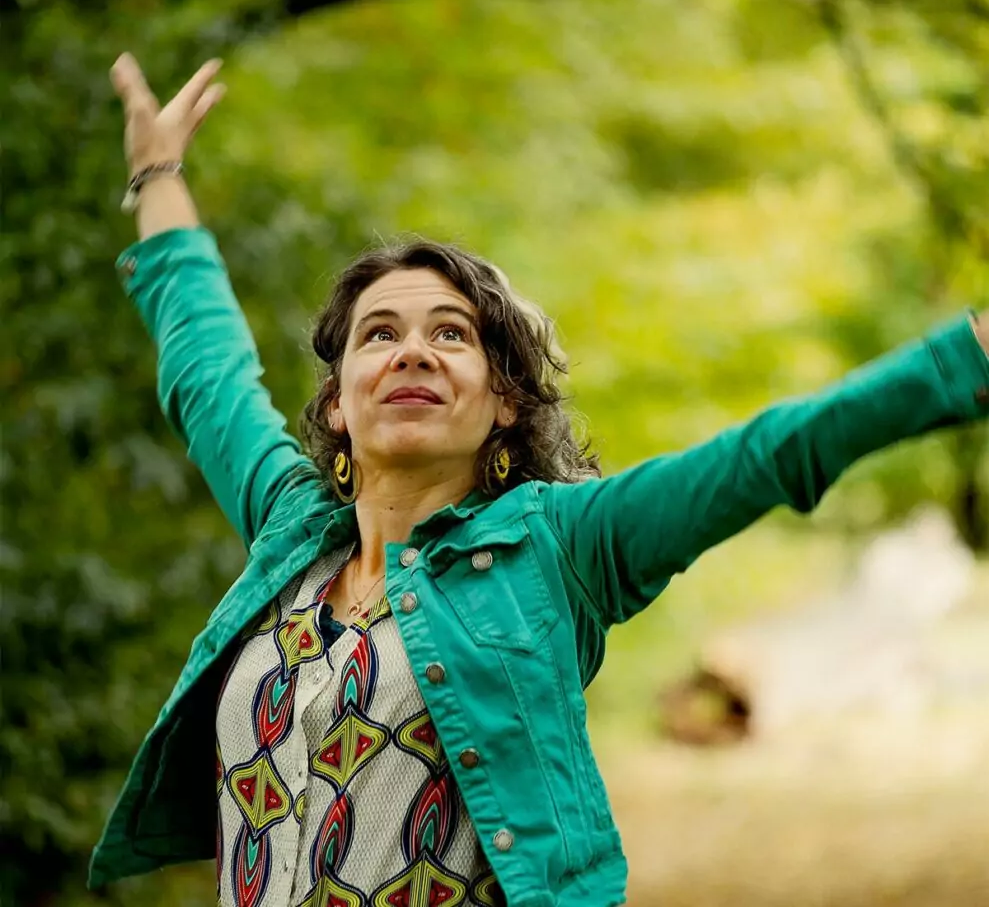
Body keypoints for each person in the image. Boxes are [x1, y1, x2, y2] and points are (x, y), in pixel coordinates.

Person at [90, 55, 989, 907]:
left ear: (504, 402)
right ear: (336, 404)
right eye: (379, 333)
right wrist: (158, 177)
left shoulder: (558, 547)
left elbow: (768, 453)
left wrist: (962, 357)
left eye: (450, 334)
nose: (411, 350)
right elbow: (206, 369)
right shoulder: (292, 536)